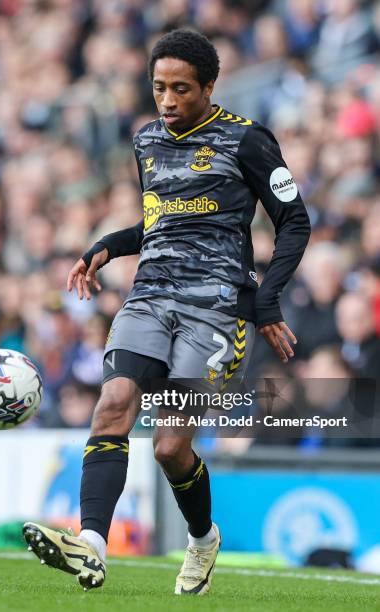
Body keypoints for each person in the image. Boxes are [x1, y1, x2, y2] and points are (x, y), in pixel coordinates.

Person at [23, 29, 311, 595]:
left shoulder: (247, 140)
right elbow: (162, 221)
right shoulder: (147, 140)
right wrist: (104, 246)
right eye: (159, 88)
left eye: (181, 89)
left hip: (215, 310)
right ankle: (91, 545)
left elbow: (295, 220)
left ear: (209, 86)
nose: (168, 101)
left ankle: (203, 538)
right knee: (113, 403)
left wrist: (268, 298)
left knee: (170, 447)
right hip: (150, 295)